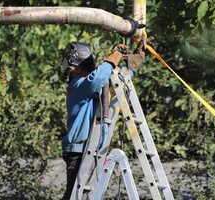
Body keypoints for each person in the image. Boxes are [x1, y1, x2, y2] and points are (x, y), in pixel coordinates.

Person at [61, 37, 155, 200]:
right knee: (74, 196)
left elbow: (119, 78)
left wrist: (137, 57)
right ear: (74, 69)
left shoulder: (90, 88)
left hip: (94, 149)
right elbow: (97, 78)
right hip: (79, 151)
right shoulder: (77, 86)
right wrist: (116, 54)